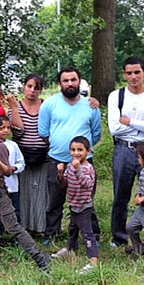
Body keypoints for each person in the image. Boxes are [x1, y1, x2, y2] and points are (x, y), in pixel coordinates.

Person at [0, 115, 51, 272]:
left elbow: (7, 171)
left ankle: (40, 257)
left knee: (13, 227)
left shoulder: (1, 148)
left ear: (0, 130)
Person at [38, 66, 102, 244]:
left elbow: (96, 134)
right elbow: (43, 132)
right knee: (54, 200)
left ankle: (92, 235)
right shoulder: (49, 104)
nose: (70, 83)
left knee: (86, 200)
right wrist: (59, 146)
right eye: (65, 80)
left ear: (79, 81)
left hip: (84, 163)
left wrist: (82, 153)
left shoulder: (91, 106)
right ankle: (52, 234)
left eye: (73, 80)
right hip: (57, 160)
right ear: (60, 83)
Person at [108, 57, 144, 247]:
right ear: (124, 75)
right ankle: (119, 237)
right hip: (124, 148)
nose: (133, 77)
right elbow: (114, 128)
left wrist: (129, 121)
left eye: (137, 72)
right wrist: (143, 124)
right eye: (129, 73)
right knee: (120, 196)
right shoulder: (116, 96)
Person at [6, 74, 48, 234]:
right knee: (22, 193)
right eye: (29, 86)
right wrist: (15, 108)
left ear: (40, 90)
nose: (32, 90)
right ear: (24, 86)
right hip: (22, 156)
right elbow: (18, 130)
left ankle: (40, 228)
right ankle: (22, 228)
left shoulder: (47, 106)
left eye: (36, 87)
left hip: (43, 155)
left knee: (41, 193)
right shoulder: (14, 107)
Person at [51, 136, 99, 274]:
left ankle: (93, 261)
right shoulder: (70, 166)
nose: (76, 153)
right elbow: (63, 184)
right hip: (73, 204)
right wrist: (60, 173)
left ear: (88, 152)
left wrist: (78, 170)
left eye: (80, 150)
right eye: (73, 150)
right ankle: (70, 249)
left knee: (87, 233)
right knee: (73, 229)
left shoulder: (88, 168)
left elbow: (87, 184)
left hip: (84, 206)